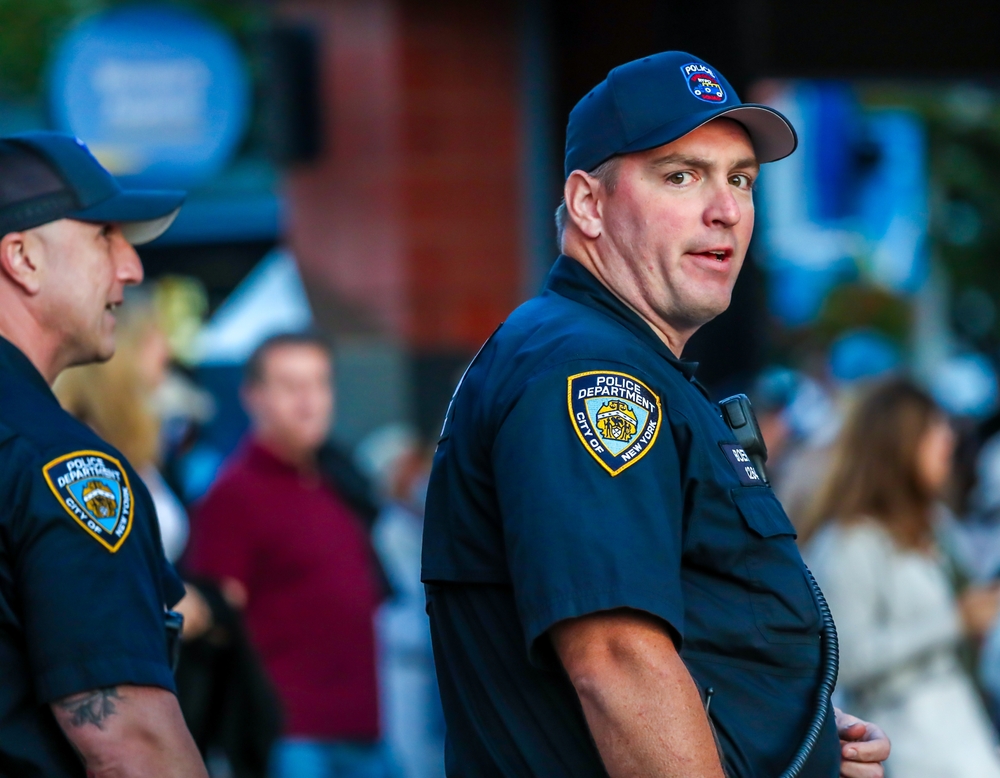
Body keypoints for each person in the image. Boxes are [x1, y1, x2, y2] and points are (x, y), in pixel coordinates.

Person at [421, 52, 889, 778]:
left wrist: (796, 739)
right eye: (682, 175)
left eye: (740, 179)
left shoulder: (635, 365)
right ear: (588, 205)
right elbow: (617, 662)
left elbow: (697, 635)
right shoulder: (587, 372)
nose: (726, 209)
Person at [0, 131, 207, 776]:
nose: (132, 268)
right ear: (22, 258)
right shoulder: (60, 464)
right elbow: (132, 748)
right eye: (103, 235)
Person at [185, 333, 390, 778]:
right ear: (252, 397)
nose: (309, 400)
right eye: (290, 386)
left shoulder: (337, 477)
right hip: (291, 738)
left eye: (319, 384)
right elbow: (215, 615)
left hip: (365, 730)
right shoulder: (235, 493)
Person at [806, 378, 1000, 778]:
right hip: (902, 746)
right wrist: (956, 620)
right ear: (900, 443)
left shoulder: (935, 524)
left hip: (961, 733)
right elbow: (847, 659)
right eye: (934, 430)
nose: (948, 442)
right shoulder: (849, 541)